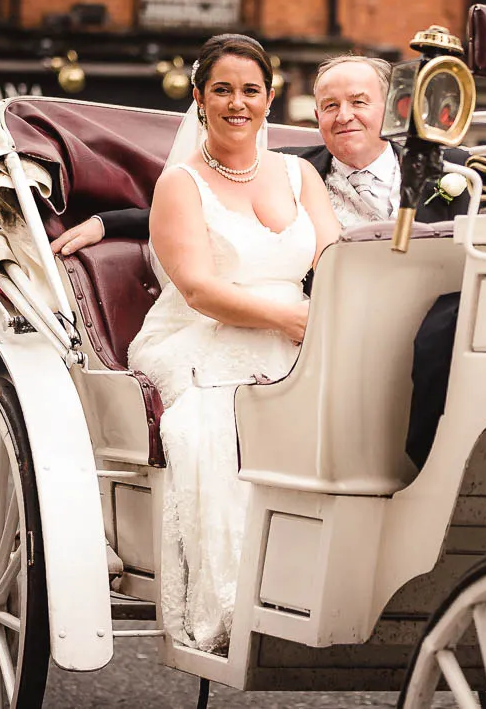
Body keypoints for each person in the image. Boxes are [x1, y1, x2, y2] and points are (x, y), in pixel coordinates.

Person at [126, 33, 341, 653]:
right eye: (222, 89)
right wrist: (290, 321)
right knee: (210, 426)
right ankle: (235, 601)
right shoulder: (181, 185)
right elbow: (197, 288)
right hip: (205, 333)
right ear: (199, 99)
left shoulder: (300, 174)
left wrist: (324, 320)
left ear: (270, 98)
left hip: (301, 326)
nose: (237, 102)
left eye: (250, 90)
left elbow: (332, 258)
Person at [49, 55, 471, 256]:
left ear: (391, 106)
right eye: (329, 106)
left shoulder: (452, 173)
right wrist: (107, 223)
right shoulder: (288, 170)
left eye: (360, 102)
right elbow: (205, 205)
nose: (344, 117)